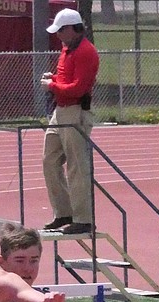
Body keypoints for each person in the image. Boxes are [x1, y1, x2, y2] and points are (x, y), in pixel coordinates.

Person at [40, 9, 99, 236]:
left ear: (72, 29)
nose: (58, 35)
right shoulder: (68, 48)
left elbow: (78, 88)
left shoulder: (86, 52)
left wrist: (52, 86)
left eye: (61, 31)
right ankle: (64, 212)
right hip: (61, 110)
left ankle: (84, 219)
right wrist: (53, 79)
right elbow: (66, 79)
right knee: (49, 160)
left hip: (75, 111)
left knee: (77, 166)